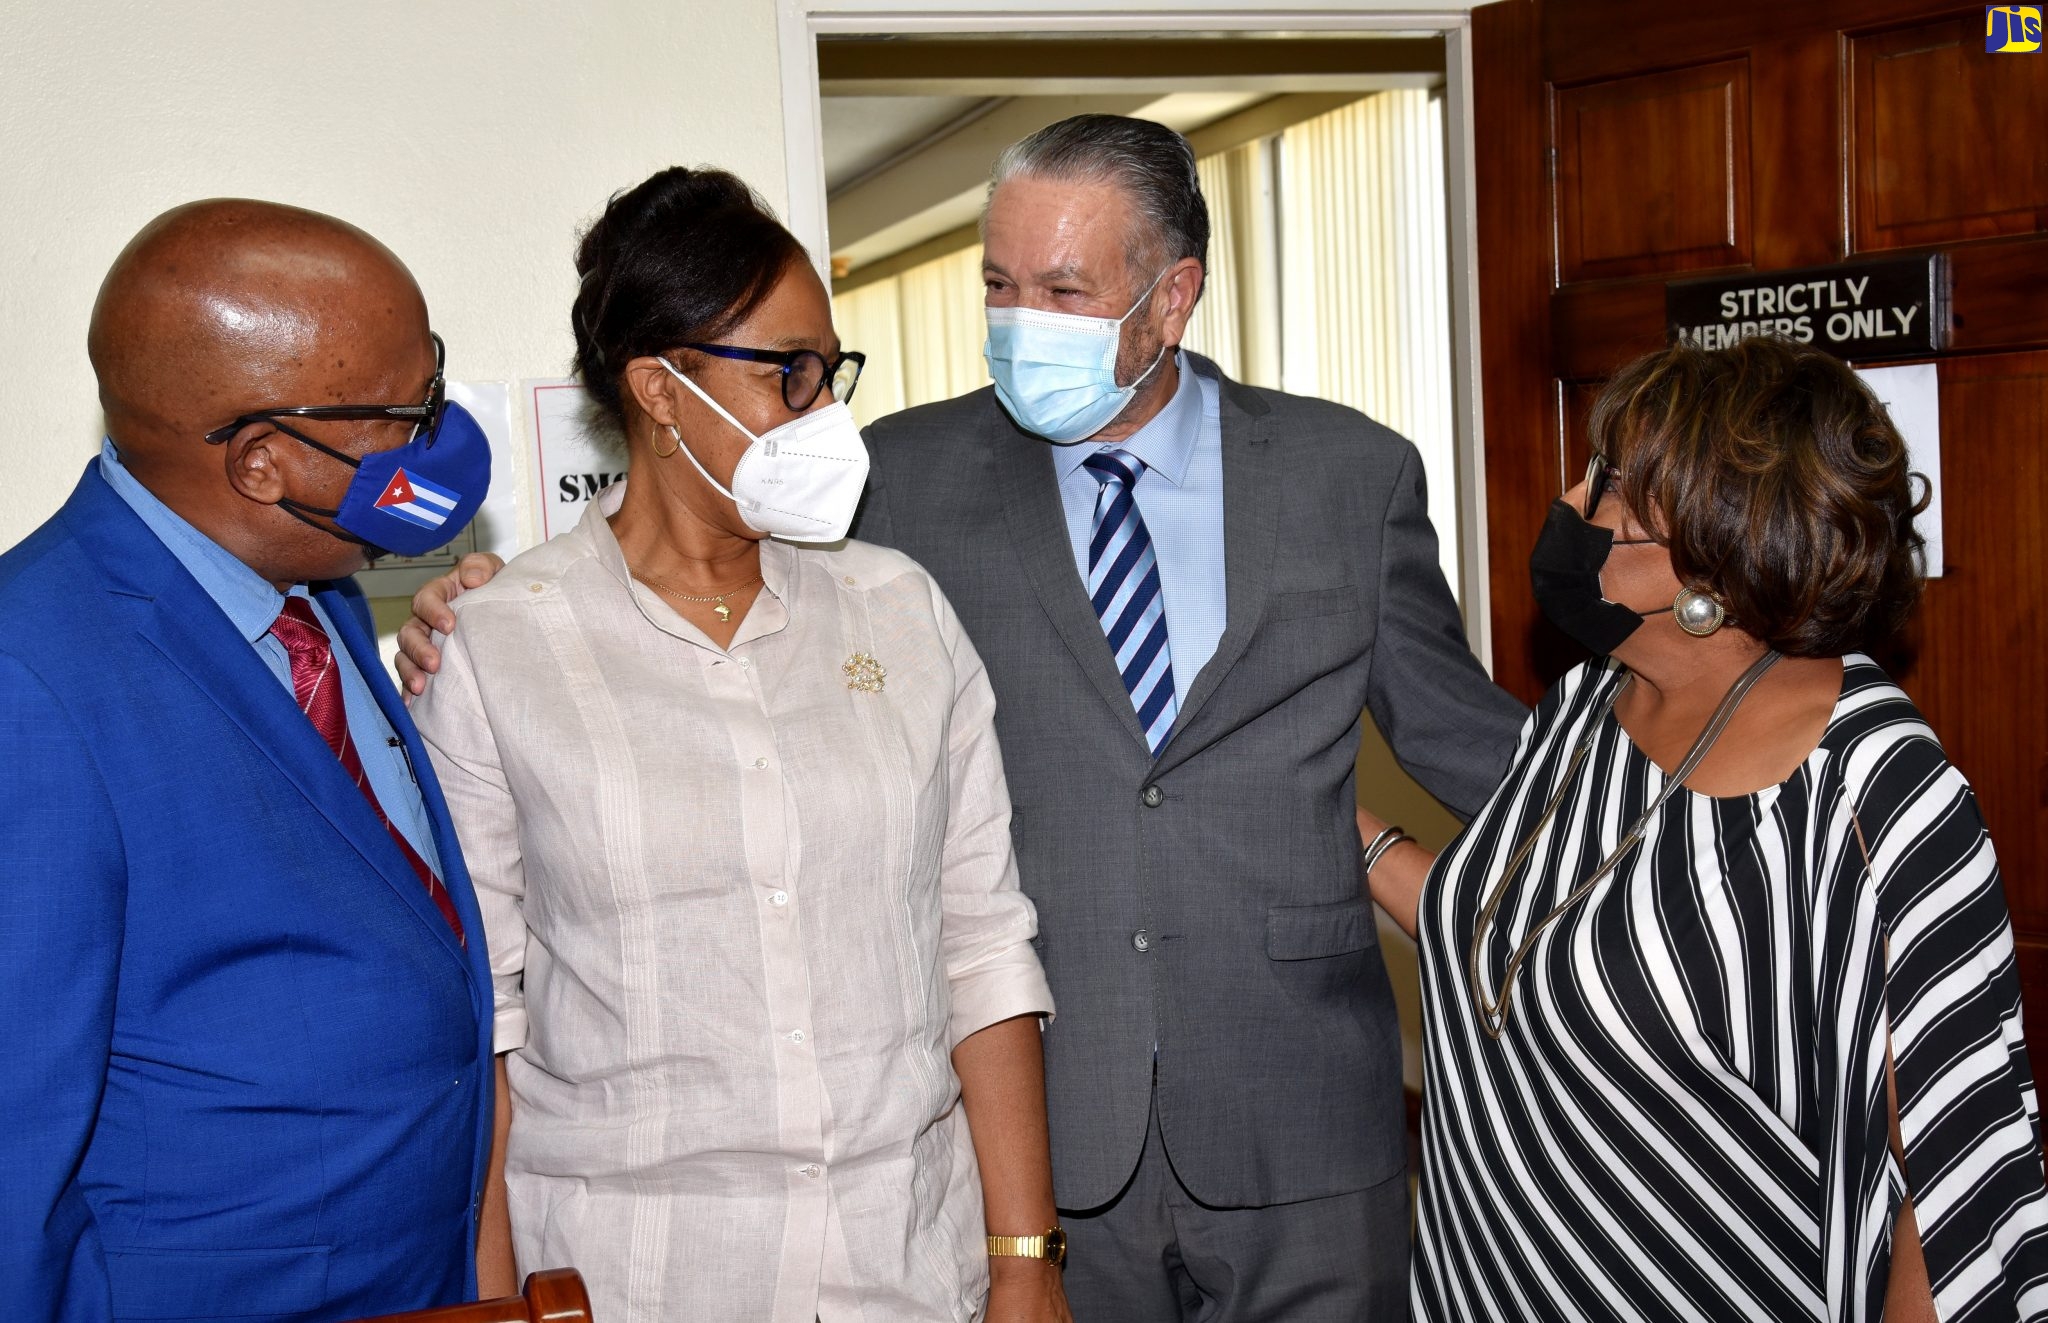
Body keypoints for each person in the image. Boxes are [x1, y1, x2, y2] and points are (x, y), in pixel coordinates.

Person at [404, 117, 1526, 1320]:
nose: (1017, 318)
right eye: (997, 282)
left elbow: (1478, 752)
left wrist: (1698, 776)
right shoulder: (894, 480)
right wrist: (463, 609)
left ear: (1172, 296)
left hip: (1295, 1118)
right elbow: (682, 595)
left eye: (1062, 287)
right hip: (1039, 1130)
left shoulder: (1345, 474)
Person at [405, 167, 1067, 1323]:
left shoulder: (898, 611)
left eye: (830, 371)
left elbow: (981, 941)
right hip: (639, 1276)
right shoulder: (502, 645)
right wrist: (491, 1296)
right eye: (790, 375)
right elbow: (485, 1015)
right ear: (659, 390)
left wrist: (1023, 1257)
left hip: (905, 1265)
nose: (824, 413)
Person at [1361, 338, 2048, 1321]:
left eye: (1607, 486)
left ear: (1713, 552)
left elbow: (1951, 1189)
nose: (1568, 499)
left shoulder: (1871, 788)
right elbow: (1517, 938)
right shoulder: (1580, 711)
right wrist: (1347, 835)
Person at [0, 200, 497, 1319]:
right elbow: (12, 1148)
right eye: (405, 416)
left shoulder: (310, 595)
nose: (438, 444)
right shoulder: (26, 677)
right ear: (266, 463)